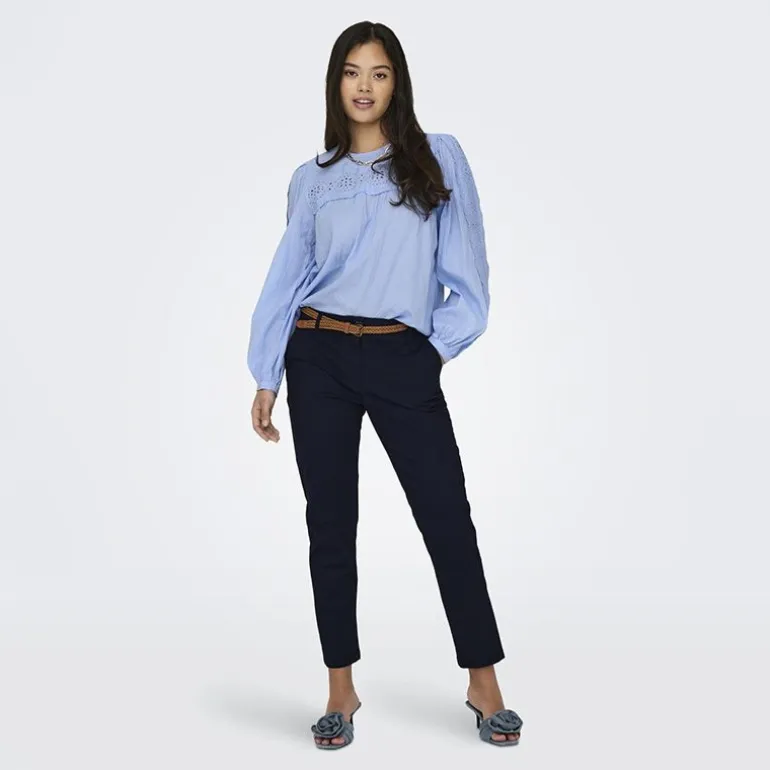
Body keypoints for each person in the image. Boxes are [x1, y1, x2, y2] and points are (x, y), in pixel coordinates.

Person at [246, 20, 523, 749]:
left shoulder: (436, 157)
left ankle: (484, 680)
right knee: (330, 525)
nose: (364, 86)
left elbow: (469, 270)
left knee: (447, 517)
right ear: (335, 83)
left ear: (398, 83)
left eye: (379, 72)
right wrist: (267, 371)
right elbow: (288, 275)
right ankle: (340, 687)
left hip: (403, 355)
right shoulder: (312, 179)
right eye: (351, 72)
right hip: (318, 356)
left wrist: (431, 349)